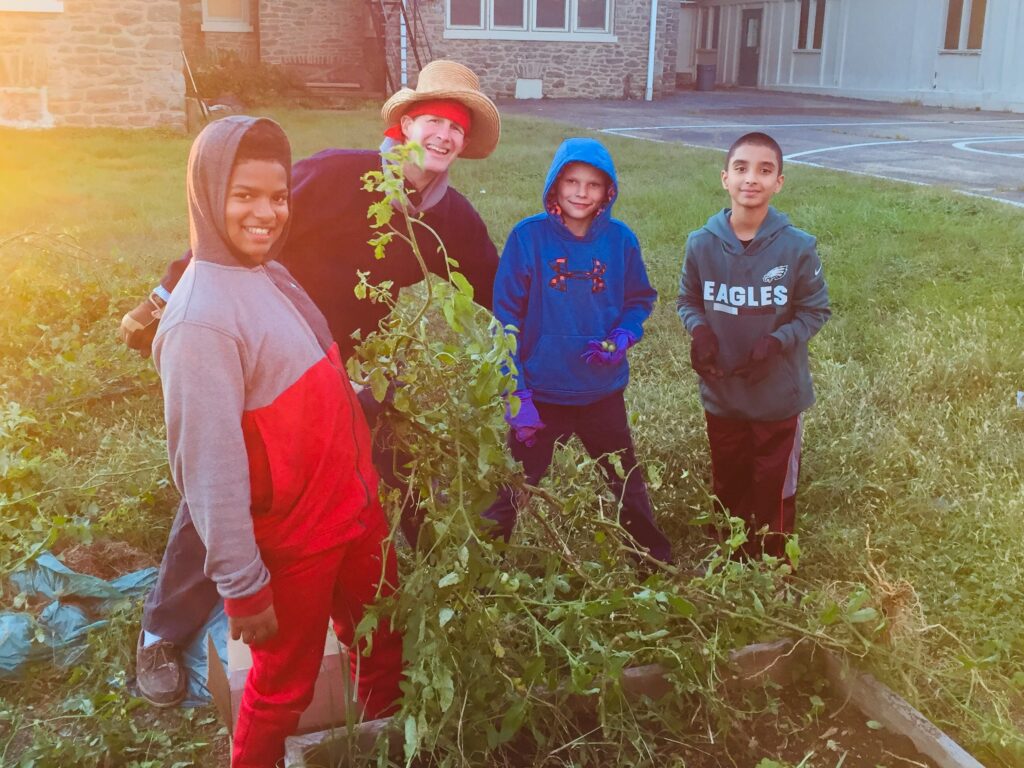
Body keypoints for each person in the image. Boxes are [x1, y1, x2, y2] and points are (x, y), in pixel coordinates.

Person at [123, 59, 502, 708]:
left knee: (388, 469)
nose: (442, 136)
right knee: (228, 484)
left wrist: (532, 359)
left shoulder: (452, 220)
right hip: (266, 355)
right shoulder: (338, 175)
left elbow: (497, 291)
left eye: (456, 128)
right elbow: (230, 223)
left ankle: (438, 589)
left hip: (351, 372)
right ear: (404, 125)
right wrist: (160, 300)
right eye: (432, 121)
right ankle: (161, 632)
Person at [153, 116, 402, 767]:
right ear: (208, 194)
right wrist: (242, 588)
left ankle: (379, 742)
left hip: (353, 507)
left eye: (279, 195)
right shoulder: (200, 320)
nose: (266, 213)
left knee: (382, 636)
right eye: (244, 195)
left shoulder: (268, 272)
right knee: (279, 691)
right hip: (296, 540)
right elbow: (208, 472)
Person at [482, 137, 673, 564]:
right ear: (554, 184)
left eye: (593, 184)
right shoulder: (527, 238)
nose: (581, 192)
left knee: (624, 480)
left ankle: (653, 561)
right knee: (514, 484)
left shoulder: (621, 240)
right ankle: (484, 566)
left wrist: (623, 335)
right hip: (541, 394)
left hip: (600, 390)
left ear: (609, 191)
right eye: (571, 181)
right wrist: (517, 394)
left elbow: (639, 299)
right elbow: (505, 319)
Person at [676, 131, 830, 560]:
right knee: (729, 476)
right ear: (725, 177)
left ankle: (774, 559)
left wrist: (778, 340)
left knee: (773, 481)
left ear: (779, 181)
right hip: (723, 391)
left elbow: (815, 310)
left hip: (777, 394)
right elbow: (688, 300)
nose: (752, 179)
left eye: (765, 170)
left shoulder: (797, 247)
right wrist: (700, 331)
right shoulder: (701, 243)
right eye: (741, 168)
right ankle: (732, 552)